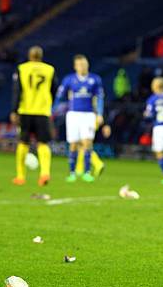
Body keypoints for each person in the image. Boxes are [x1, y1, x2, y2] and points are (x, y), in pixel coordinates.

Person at [54, 54, 109, 183]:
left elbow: (100, 98)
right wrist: (53, 110)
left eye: (84, 64)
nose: (82, 67)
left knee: (87, 143)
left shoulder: (95, 80)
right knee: (73, 144)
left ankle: (87, 172)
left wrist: (99, 114)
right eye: (79, 65)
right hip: (73, 114)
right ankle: (72, 173)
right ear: (75, 66)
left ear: (87, 65)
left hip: (88, 115)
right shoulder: (69, 80)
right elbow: (59, 96)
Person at [10, 46, 56, 186]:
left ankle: (20, 177)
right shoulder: (50, 70)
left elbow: (18, 91)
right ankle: (45, 174)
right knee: (43, 144)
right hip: (42, 111)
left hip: (26, 110)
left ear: (29, 56)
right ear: (41, 56)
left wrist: (14, 110)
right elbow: (54, 89)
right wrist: (48, 103)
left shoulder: (22, 68)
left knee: (23, 143)